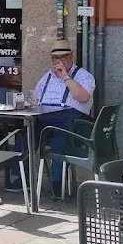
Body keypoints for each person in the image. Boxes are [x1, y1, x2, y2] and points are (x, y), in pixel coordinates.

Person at [33, 39, 95, 197]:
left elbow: (83, 98)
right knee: (24, 135)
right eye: (55, 59)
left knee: (59, 140)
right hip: (45, 117)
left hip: (72, 121)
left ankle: (57, 185)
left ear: (71, 57)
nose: (58, 62)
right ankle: (19, 181)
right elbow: (35, 98)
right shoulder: (47, 76)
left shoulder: (83, 76)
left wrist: (66, 77)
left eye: (62, 58)